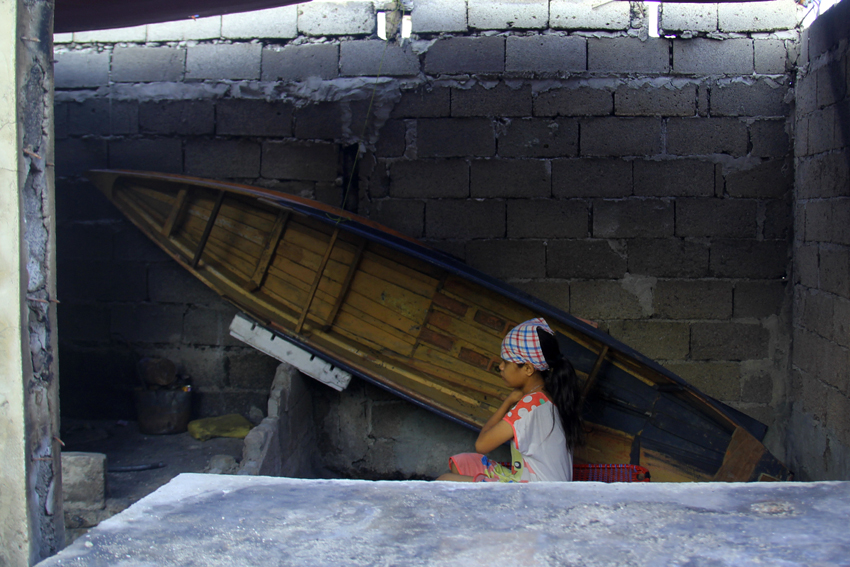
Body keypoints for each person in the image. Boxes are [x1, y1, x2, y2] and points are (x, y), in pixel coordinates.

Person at [436, 318, 583, 482]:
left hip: (535, 496)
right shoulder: (547, 396)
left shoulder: (529, 406)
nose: (500, 367)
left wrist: (507, 402)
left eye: (506, 362)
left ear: (528, 368)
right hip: (539, 487)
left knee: (444, 480)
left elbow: (482, 445)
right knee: (462, 464)